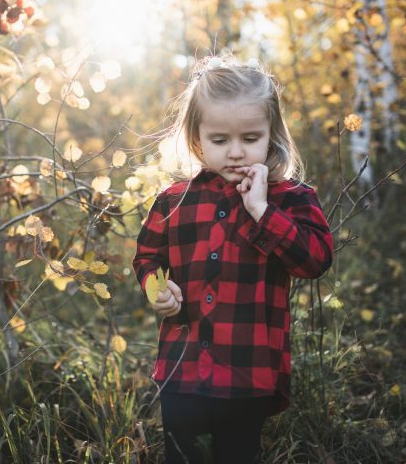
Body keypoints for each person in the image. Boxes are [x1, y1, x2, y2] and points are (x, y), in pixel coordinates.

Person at [132, 53, 334, 464]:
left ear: (271, 136)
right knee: (182, 457)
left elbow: (315, 261)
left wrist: (262, 212)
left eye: (250, 138)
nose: (236, 152)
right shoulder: (174, 200)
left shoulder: (291, 199)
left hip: (248, 372)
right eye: (220, 141)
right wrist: (158, 289)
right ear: (197, 141)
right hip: (182, 368)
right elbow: (147, 257)